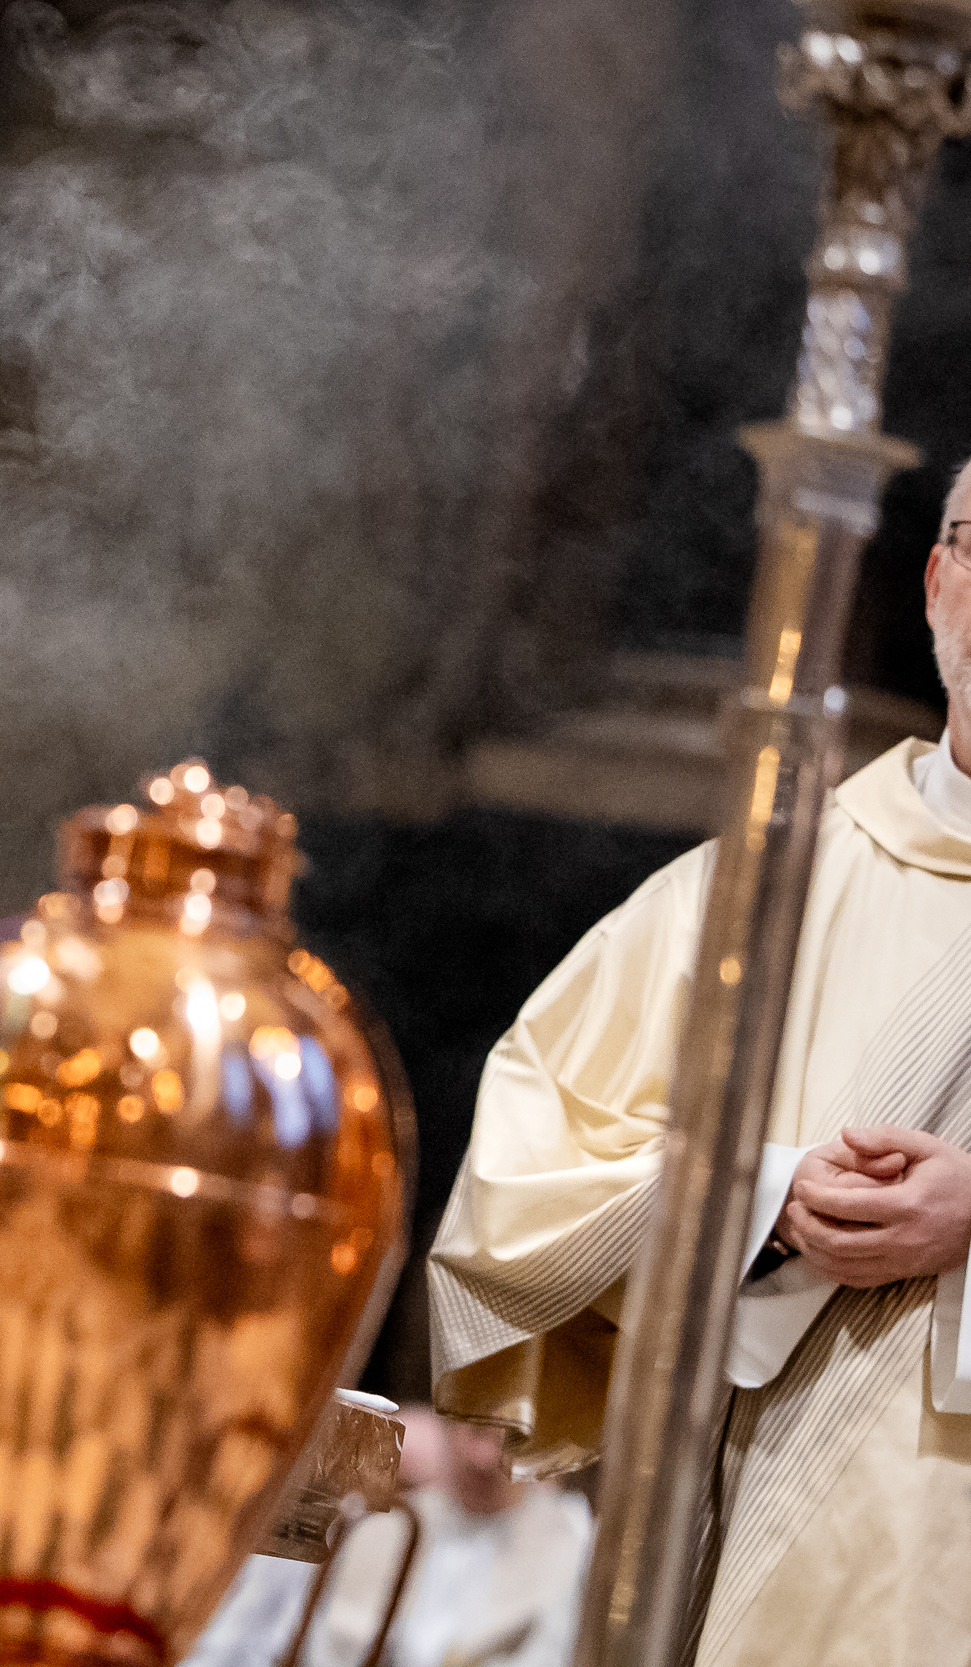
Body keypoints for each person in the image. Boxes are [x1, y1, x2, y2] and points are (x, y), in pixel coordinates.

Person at [427, 461, 971, 1664]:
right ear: (938, 581)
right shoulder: (756, 890)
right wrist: (755, 1197)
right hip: (745, 1542)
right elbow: (522, 1176)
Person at [184, 1409, 592, 1667]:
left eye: (510, 1437)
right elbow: (249, 1633)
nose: (484, 1459)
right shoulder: (368, 1513)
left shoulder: (571, 1543)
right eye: (477, 1431)